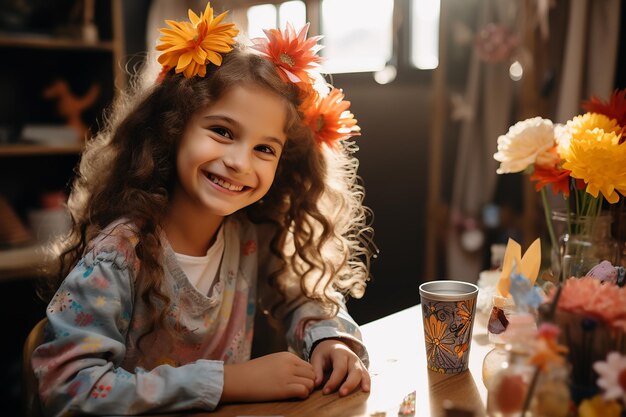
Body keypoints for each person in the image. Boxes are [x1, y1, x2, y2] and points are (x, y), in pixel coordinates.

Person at [32, 2, 375, 415]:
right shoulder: (119, 253)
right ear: (171, 130)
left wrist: (330, 340)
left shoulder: (250, 235)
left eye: (264, 148)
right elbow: (67, 387)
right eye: (222, 131)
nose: (240, 162)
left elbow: (302, 296)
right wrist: (228, 381)